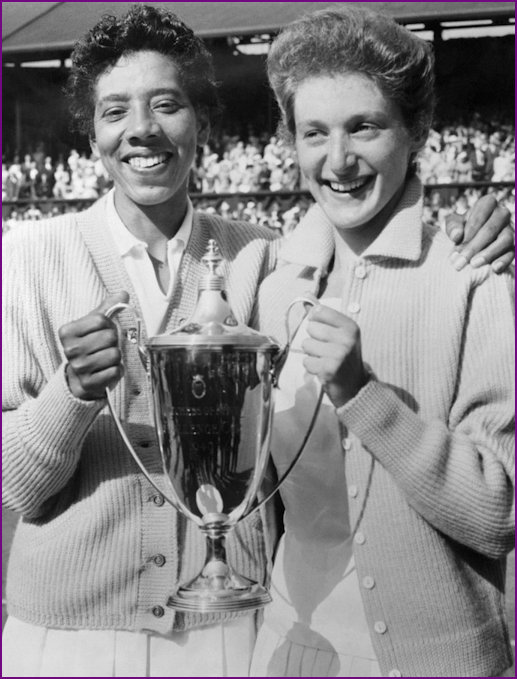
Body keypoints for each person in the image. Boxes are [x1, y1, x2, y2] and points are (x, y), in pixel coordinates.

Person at [1, 5, 513, 678]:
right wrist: (69, 394)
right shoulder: (34, 256)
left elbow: (492, 511)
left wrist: (474, 236)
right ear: (90, 131)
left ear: (200, 123)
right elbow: (17, 487)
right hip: (78, 636)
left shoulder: (261, 258)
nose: (142, 129)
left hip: (233, 634)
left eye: (166, 104)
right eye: (114, 110)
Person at [250, 6, 514, 677]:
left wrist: (363, 396)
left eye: (362, 126)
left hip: (441, 661)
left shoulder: (472, 276)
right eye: (313, 132)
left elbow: (496, 514)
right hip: (289, 647)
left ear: (416, 128)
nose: (336, 160)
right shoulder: (269, 282)